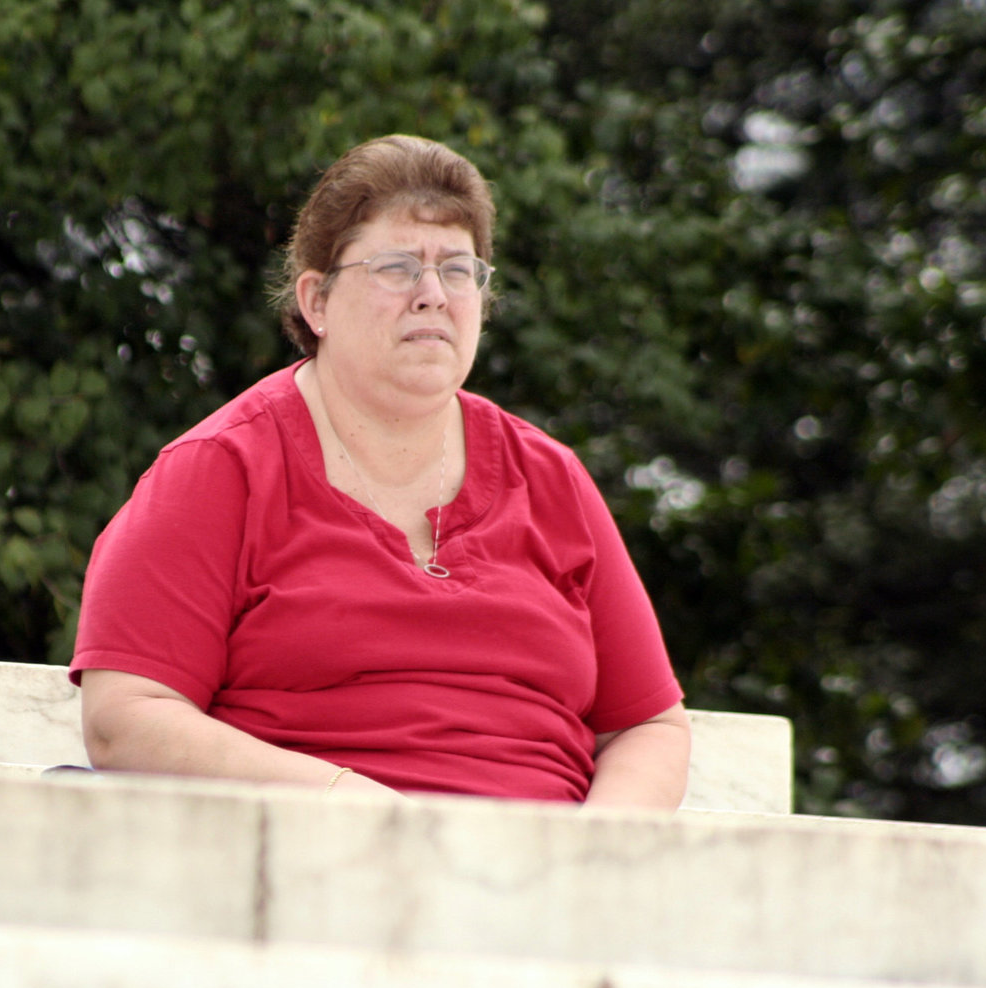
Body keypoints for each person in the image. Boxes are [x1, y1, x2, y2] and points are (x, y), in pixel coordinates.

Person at [71, 135, 688, 805]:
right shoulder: (219, 471)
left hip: (543, 881)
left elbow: (647, 724)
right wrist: (345, 801)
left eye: (458, 269)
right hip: (307, 868)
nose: (433, 295)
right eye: (397, 267)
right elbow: (124, 717)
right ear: (317, 302)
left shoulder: (551, 478)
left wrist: (593, 851)